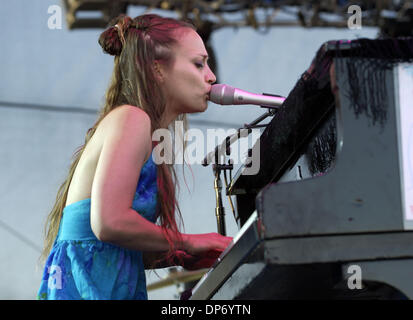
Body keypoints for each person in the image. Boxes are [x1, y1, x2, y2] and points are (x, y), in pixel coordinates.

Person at [37, 13, 232, 300]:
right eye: (198, 63)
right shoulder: (132, 120)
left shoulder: (145, 130)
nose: (212, 76)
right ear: (158, 69)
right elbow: (109, 224)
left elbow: (116, 247)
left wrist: (176, 255)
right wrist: (190, 242)